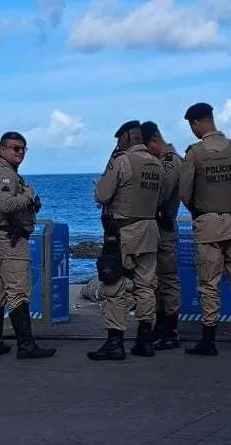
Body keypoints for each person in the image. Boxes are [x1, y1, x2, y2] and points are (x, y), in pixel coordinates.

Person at [179, 102, 231, 356]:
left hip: (208, 225)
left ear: (196, 124)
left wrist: (198, 210)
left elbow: (184, 192)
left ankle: (209, 340)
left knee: (209, 284)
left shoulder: (195, 152)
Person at [87, 120, 167, 361]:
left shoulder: (122, 161)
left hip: (124, 232)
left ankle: (115, 342)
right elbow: (160, 198)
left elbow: (102, 195)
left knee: (114, 286)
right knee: (146, 287)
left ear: (126, 138)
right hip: (150, 231)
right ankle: (145, 340)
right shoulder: (157, 164)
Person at [0, 131, 56, 359]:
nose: (20, 153)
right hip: (9, 242)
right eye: (15, 148)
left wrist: (30, 203)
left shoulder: (0, 171)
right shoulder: (5, 173)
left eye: (23, 149)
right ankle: (26, 345)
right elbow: (5, 204)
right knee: (18, 292)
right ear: (2, 148)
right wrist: (29, 197)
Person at [140, 121, 183, 350]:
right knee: (155, 281)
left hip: (164, 227)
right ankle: (160, 326)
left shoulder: (170, 161)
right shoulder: (160, 160)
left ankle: (170, 329)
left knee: (167, 279)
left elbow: (162, 191)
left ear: (154, 142)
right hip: (155, 228)